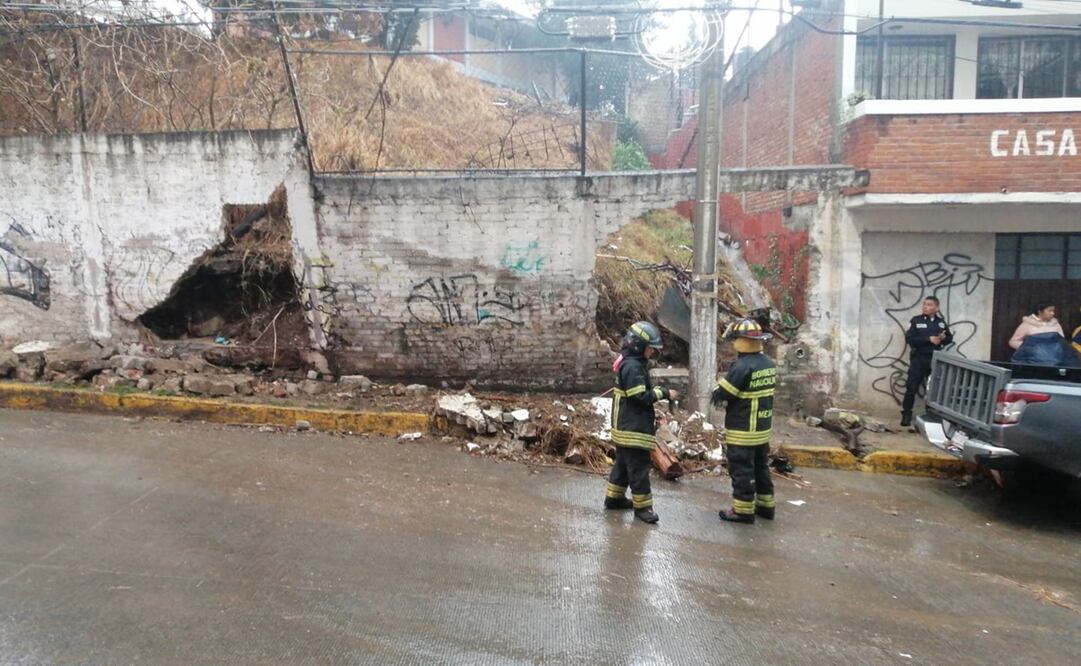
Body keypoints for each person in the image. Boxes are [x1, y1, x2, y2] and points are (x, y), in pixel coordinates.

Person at [604, 321, 679, 525]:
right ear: (639, 346)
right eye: (650, 349)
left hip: (625, 426)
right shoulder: (633, 367)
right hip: (633, 429)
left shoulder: (628, 362)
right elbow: (640, 397)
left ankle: (614, 498)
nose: (651, 353)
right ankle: (643, 509)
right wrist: (663, 392)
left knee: (622, 465)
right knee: (638, 469)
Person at [713, 318, 777, 525]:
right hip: (762, 429)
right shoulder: (768, 363)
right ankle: (766, 506)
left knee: (741, 469)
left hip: (743, 429)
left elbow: (725, 392)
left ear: (742, 341)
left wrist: (716, 390)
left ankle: (743, 510)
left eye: (735, 340)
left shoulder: (742, 366)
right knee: (760, 468)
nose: (733, 344)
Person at [900, 296, 953, 428]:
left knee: (934, 390)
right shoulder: (916, 321)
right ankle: (906, 414)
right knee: (911, 387)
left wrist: (943, 337)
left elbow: (949, 338)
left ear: (936, 308)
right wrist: (928, 339)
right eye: (924, 304)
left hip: (934, 359)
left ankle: (932, 416)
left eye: (929, 305)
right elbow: (910, 339)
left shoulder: (940, 322)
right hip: (919, 358)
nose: (925, 307)